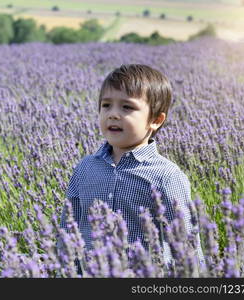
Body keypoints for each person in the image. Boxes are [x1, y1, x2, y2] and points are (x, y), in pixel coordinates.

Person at [58, 64, 204, 276]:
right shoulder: (85, 168)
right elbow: (69, 225)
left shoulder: (166, 177)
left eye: (127, 107)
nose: (113, 115)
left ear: (155, 120)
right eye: (106, 105)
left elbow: (186, 240)